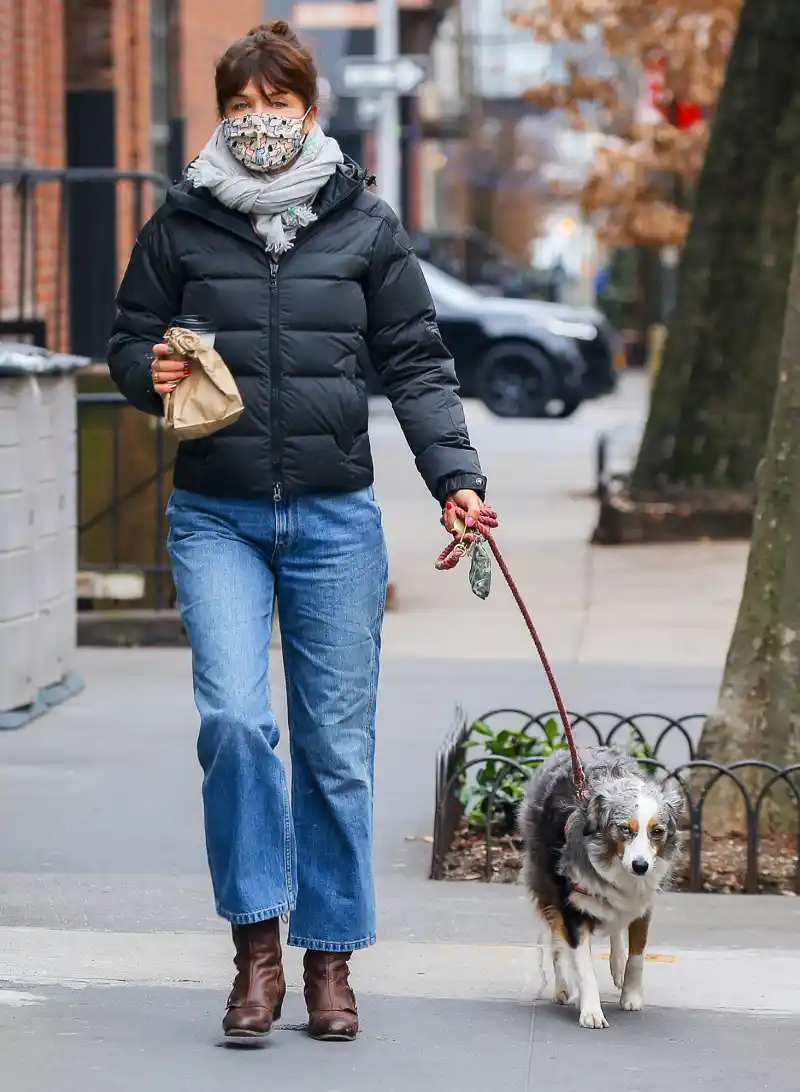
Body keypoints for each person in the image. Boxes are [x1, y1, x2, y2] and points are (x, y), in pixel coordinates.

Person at [107, 20, 490, 1044]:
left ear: (309, 112)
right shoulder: (180, 223)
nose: (261, 123)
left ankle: (330, 961)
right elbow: (125, 333)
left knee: (336, 750)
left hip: (332, 517)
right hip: (216, 513)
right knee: (234, 725)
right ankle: (255, 955)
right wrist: (143, 370)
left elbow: (414, 360)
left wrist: (453, 480)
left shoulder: (364, 224)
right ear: (222, 114)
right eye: (242, 107)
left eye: (278, 106)